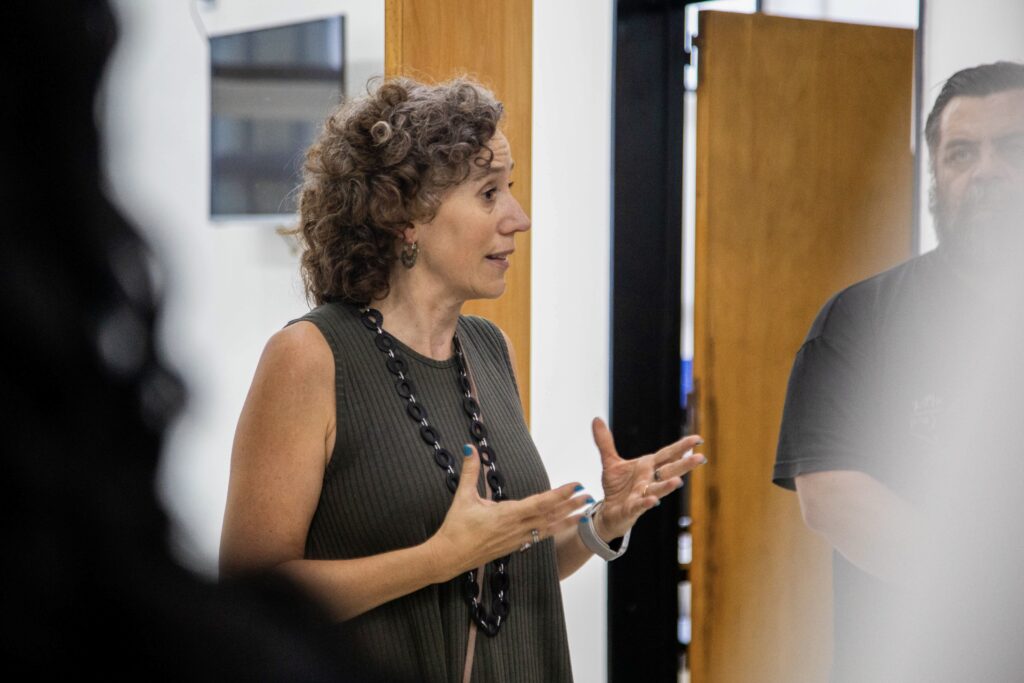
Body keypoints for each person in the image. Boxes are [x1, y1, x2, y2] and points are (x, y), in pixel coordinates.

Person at [219, 77, 707, 682]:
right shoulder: (308, 357)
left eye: (511, 191)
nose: (518, 219)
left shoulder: (489, 350)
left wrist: (602, 523)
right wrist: (436, 559)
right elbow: (250, 597)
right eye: (489, 193)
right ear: (406, 216)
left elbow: (497, 575)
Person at [772, 61, 1024, 681]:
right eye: (961, 153)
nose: (986, 171)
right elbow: (832, 497)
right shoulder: (861, 319)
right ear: (935, 174)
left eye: (1011, 148)